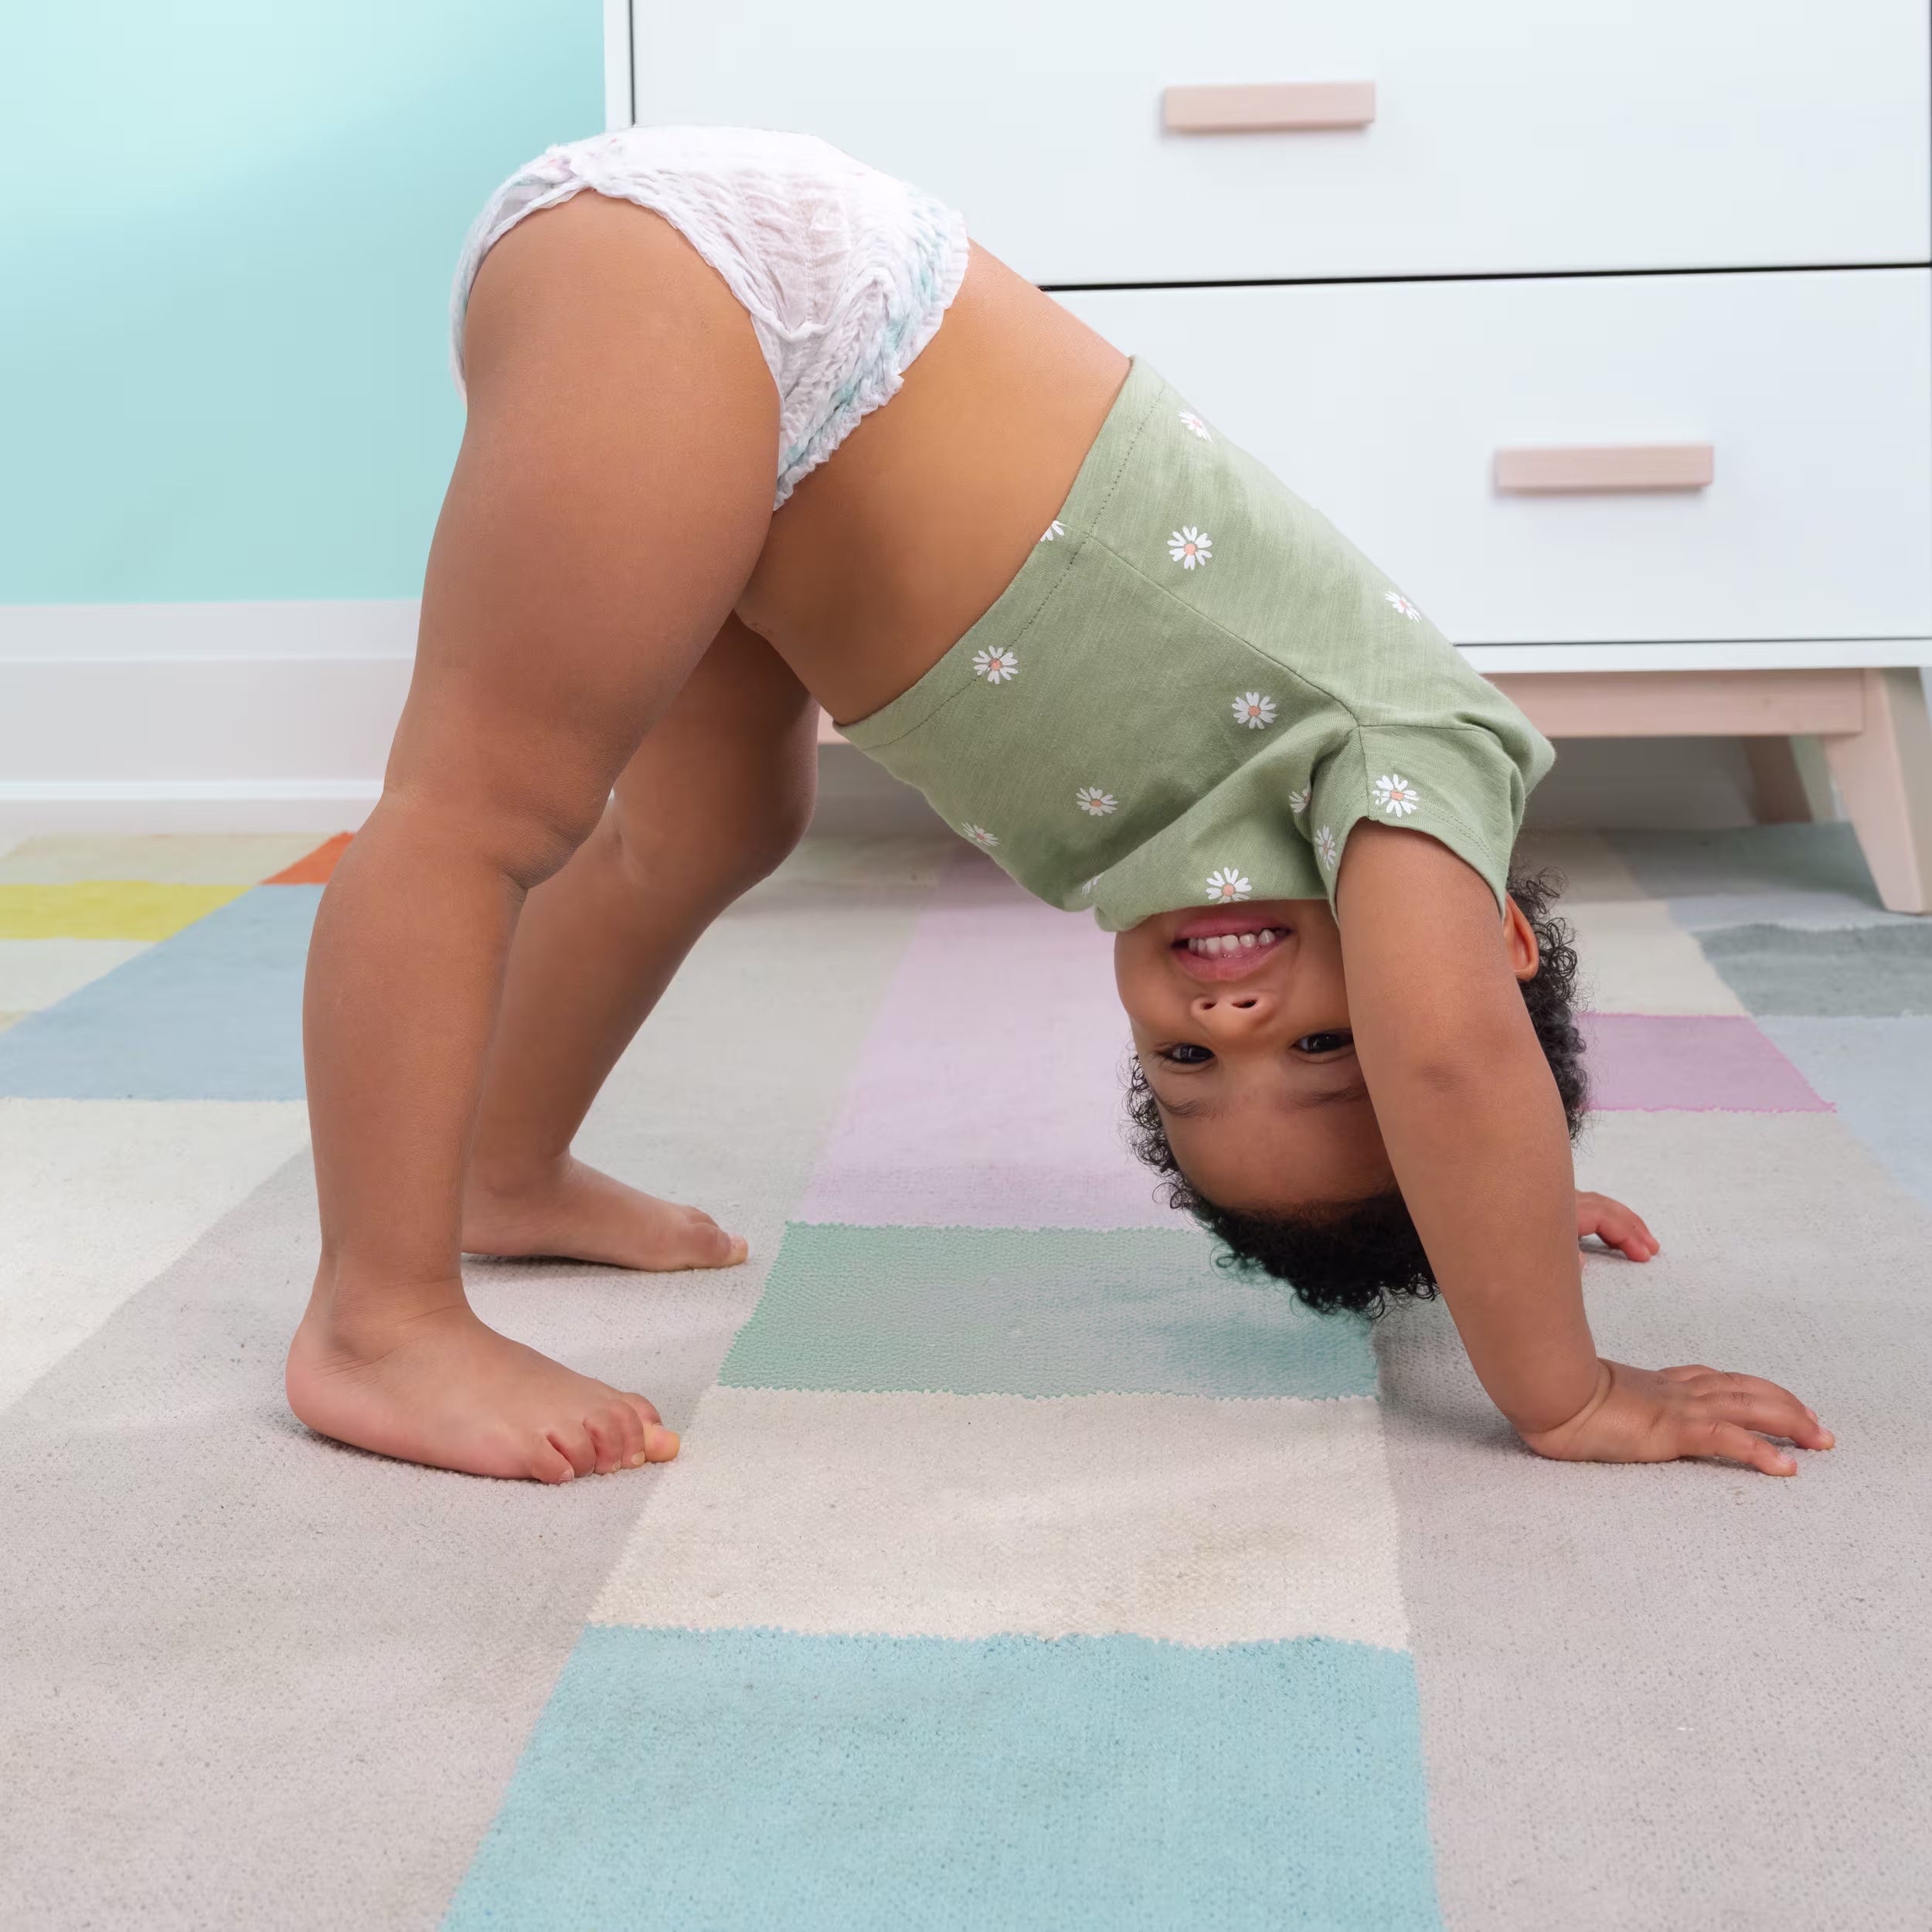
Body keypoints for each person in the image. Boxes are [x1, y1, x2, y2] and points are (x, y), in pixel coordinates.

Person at [287, 126, 1832, 1484]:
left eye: (1182, 1062)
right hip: (762, 304)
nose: (1227, 1019)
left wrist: (1474, 1196)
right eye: (1317, 1044)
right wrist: (1559, 1382)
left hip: (753, 430)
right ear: (1487, 935)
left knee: (709, 821)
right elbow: (1444, 1054)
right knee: (486, 803)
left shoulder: (1206, 844)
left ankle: (502, 1160)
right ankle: (379, 1314)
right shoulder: (1424, 754)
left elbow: (1441, 1070)